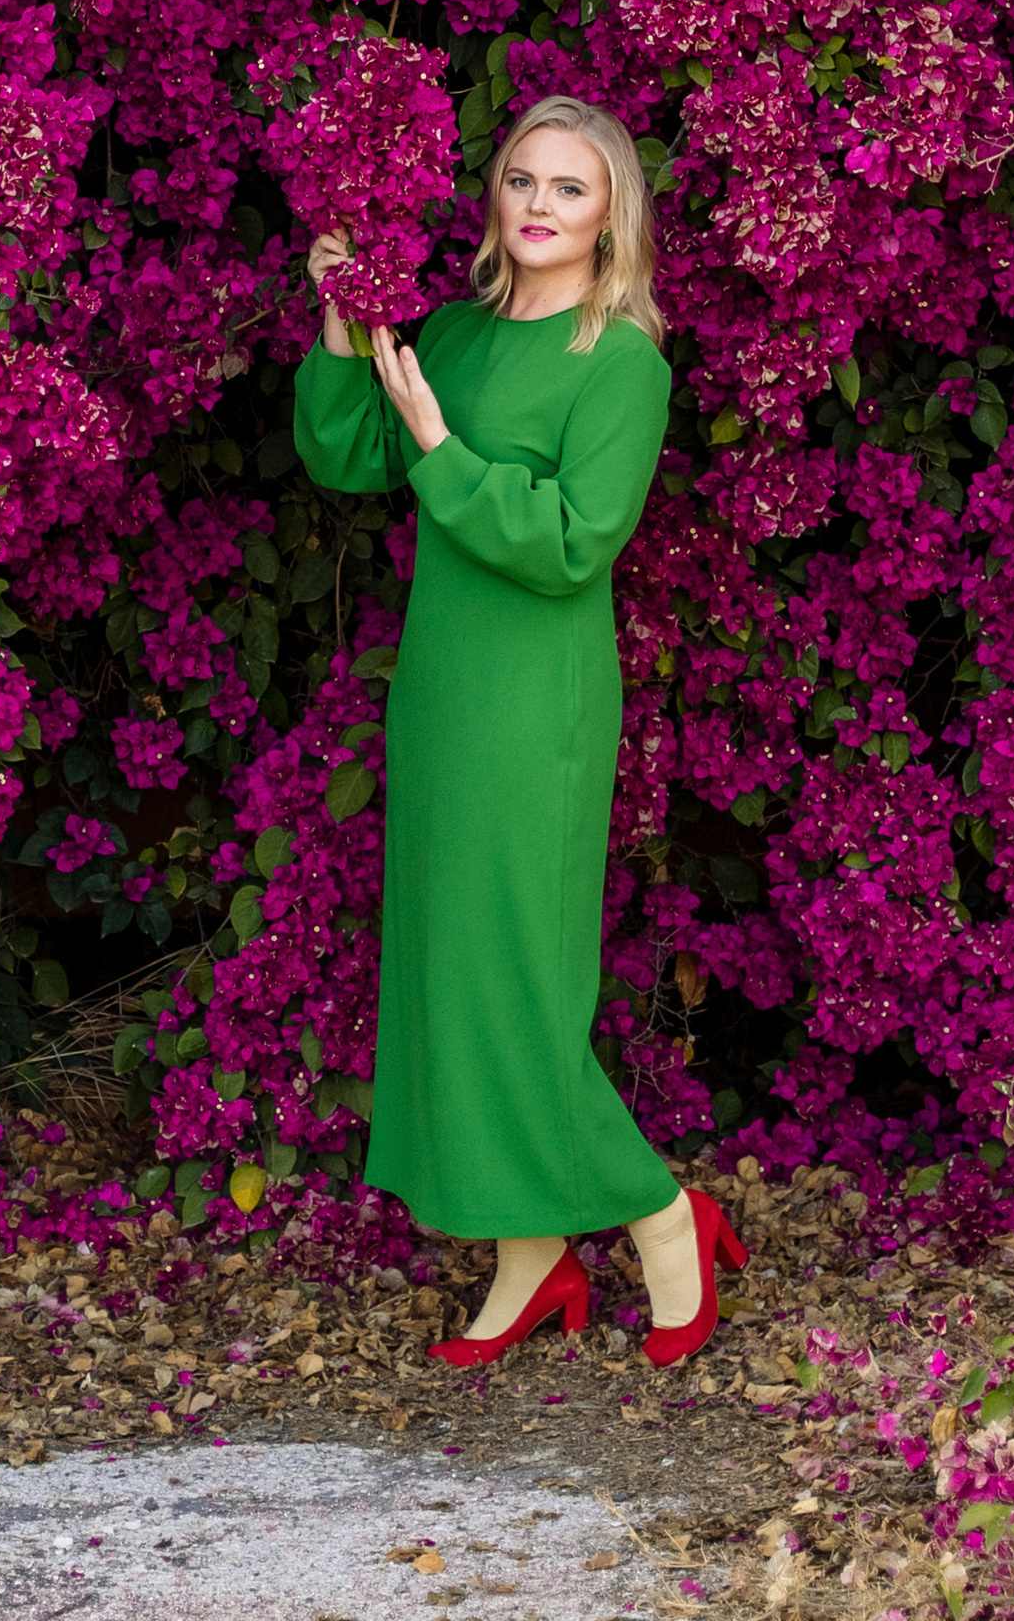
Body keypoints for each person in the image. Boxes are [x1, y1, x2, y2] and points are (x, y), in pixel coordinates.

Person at [295, 93, 745, 1366]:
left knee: (519, 984)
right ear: (494, 198)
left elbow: (571, 543)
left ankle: (662, 1214)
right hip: (443, 692)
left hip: (538, 702)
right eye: (521, 181)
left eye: (570, 188)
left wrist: (440, 445)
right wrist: (340, 322)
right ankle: (530, 1255)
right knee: (454, 970)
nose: (540, 206)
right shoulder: (452, 331)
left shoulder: (622, 362)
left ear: (612, 219)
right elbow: (347, 458)